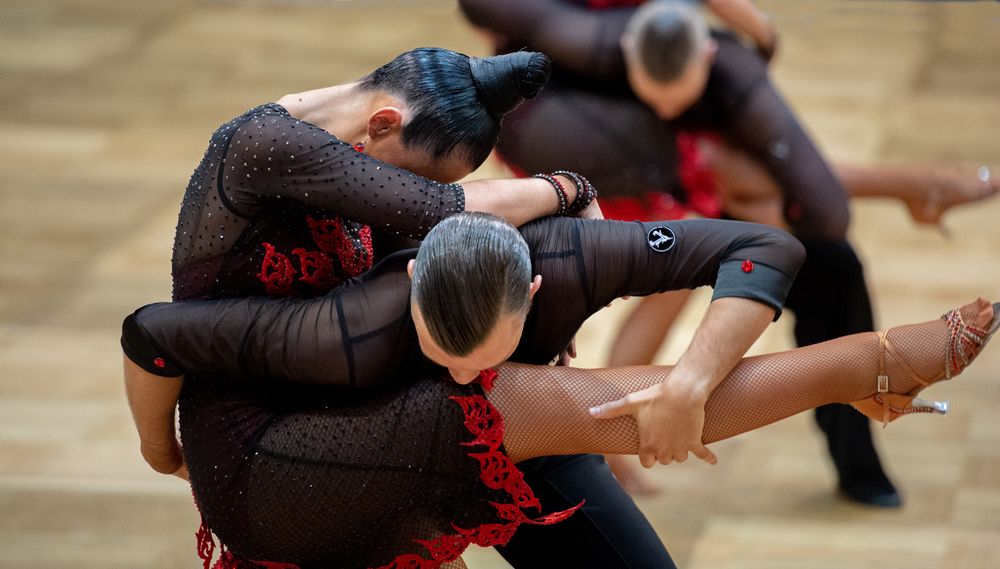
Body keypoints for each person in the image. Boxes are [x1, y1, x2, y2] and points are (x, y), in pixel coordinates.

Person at [143, 44, 754, 569]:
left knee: (530, 420)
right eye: (412, 181)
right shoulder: (264, 145)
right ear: (384, 122)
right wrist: (568, 188)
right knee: (521, 422)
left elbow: (429, 242)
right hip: (264, 426)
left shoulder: (354, 143)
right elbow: (442, 213)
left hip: (353, 377)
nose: (403, 198)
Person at [122, 211, 999, 569]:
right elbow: (150, 332)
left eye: (485, 348)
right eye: (442, 344)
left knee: (550, 425)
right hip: (284, 474)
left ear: (535, 294)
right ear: (415, 289)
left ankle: (861, 367)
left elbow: (766, 246)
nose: (463, 365)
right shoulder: (335, 337)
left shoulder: (566, 259)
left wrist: (691, 382)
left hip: (459, 425)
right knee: (519, 407)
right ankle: (861, 366)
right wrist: (161, 449)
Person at [458, 0, 997, 506]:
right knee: (723, 210)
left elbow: (815, 201)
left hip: (650, 68)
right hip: (577, 98)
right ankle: (917, 187)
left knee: (808, 246)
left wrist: (756, 30)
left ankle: (912, 195)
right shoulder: (579, 54)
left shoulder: (706, 67)